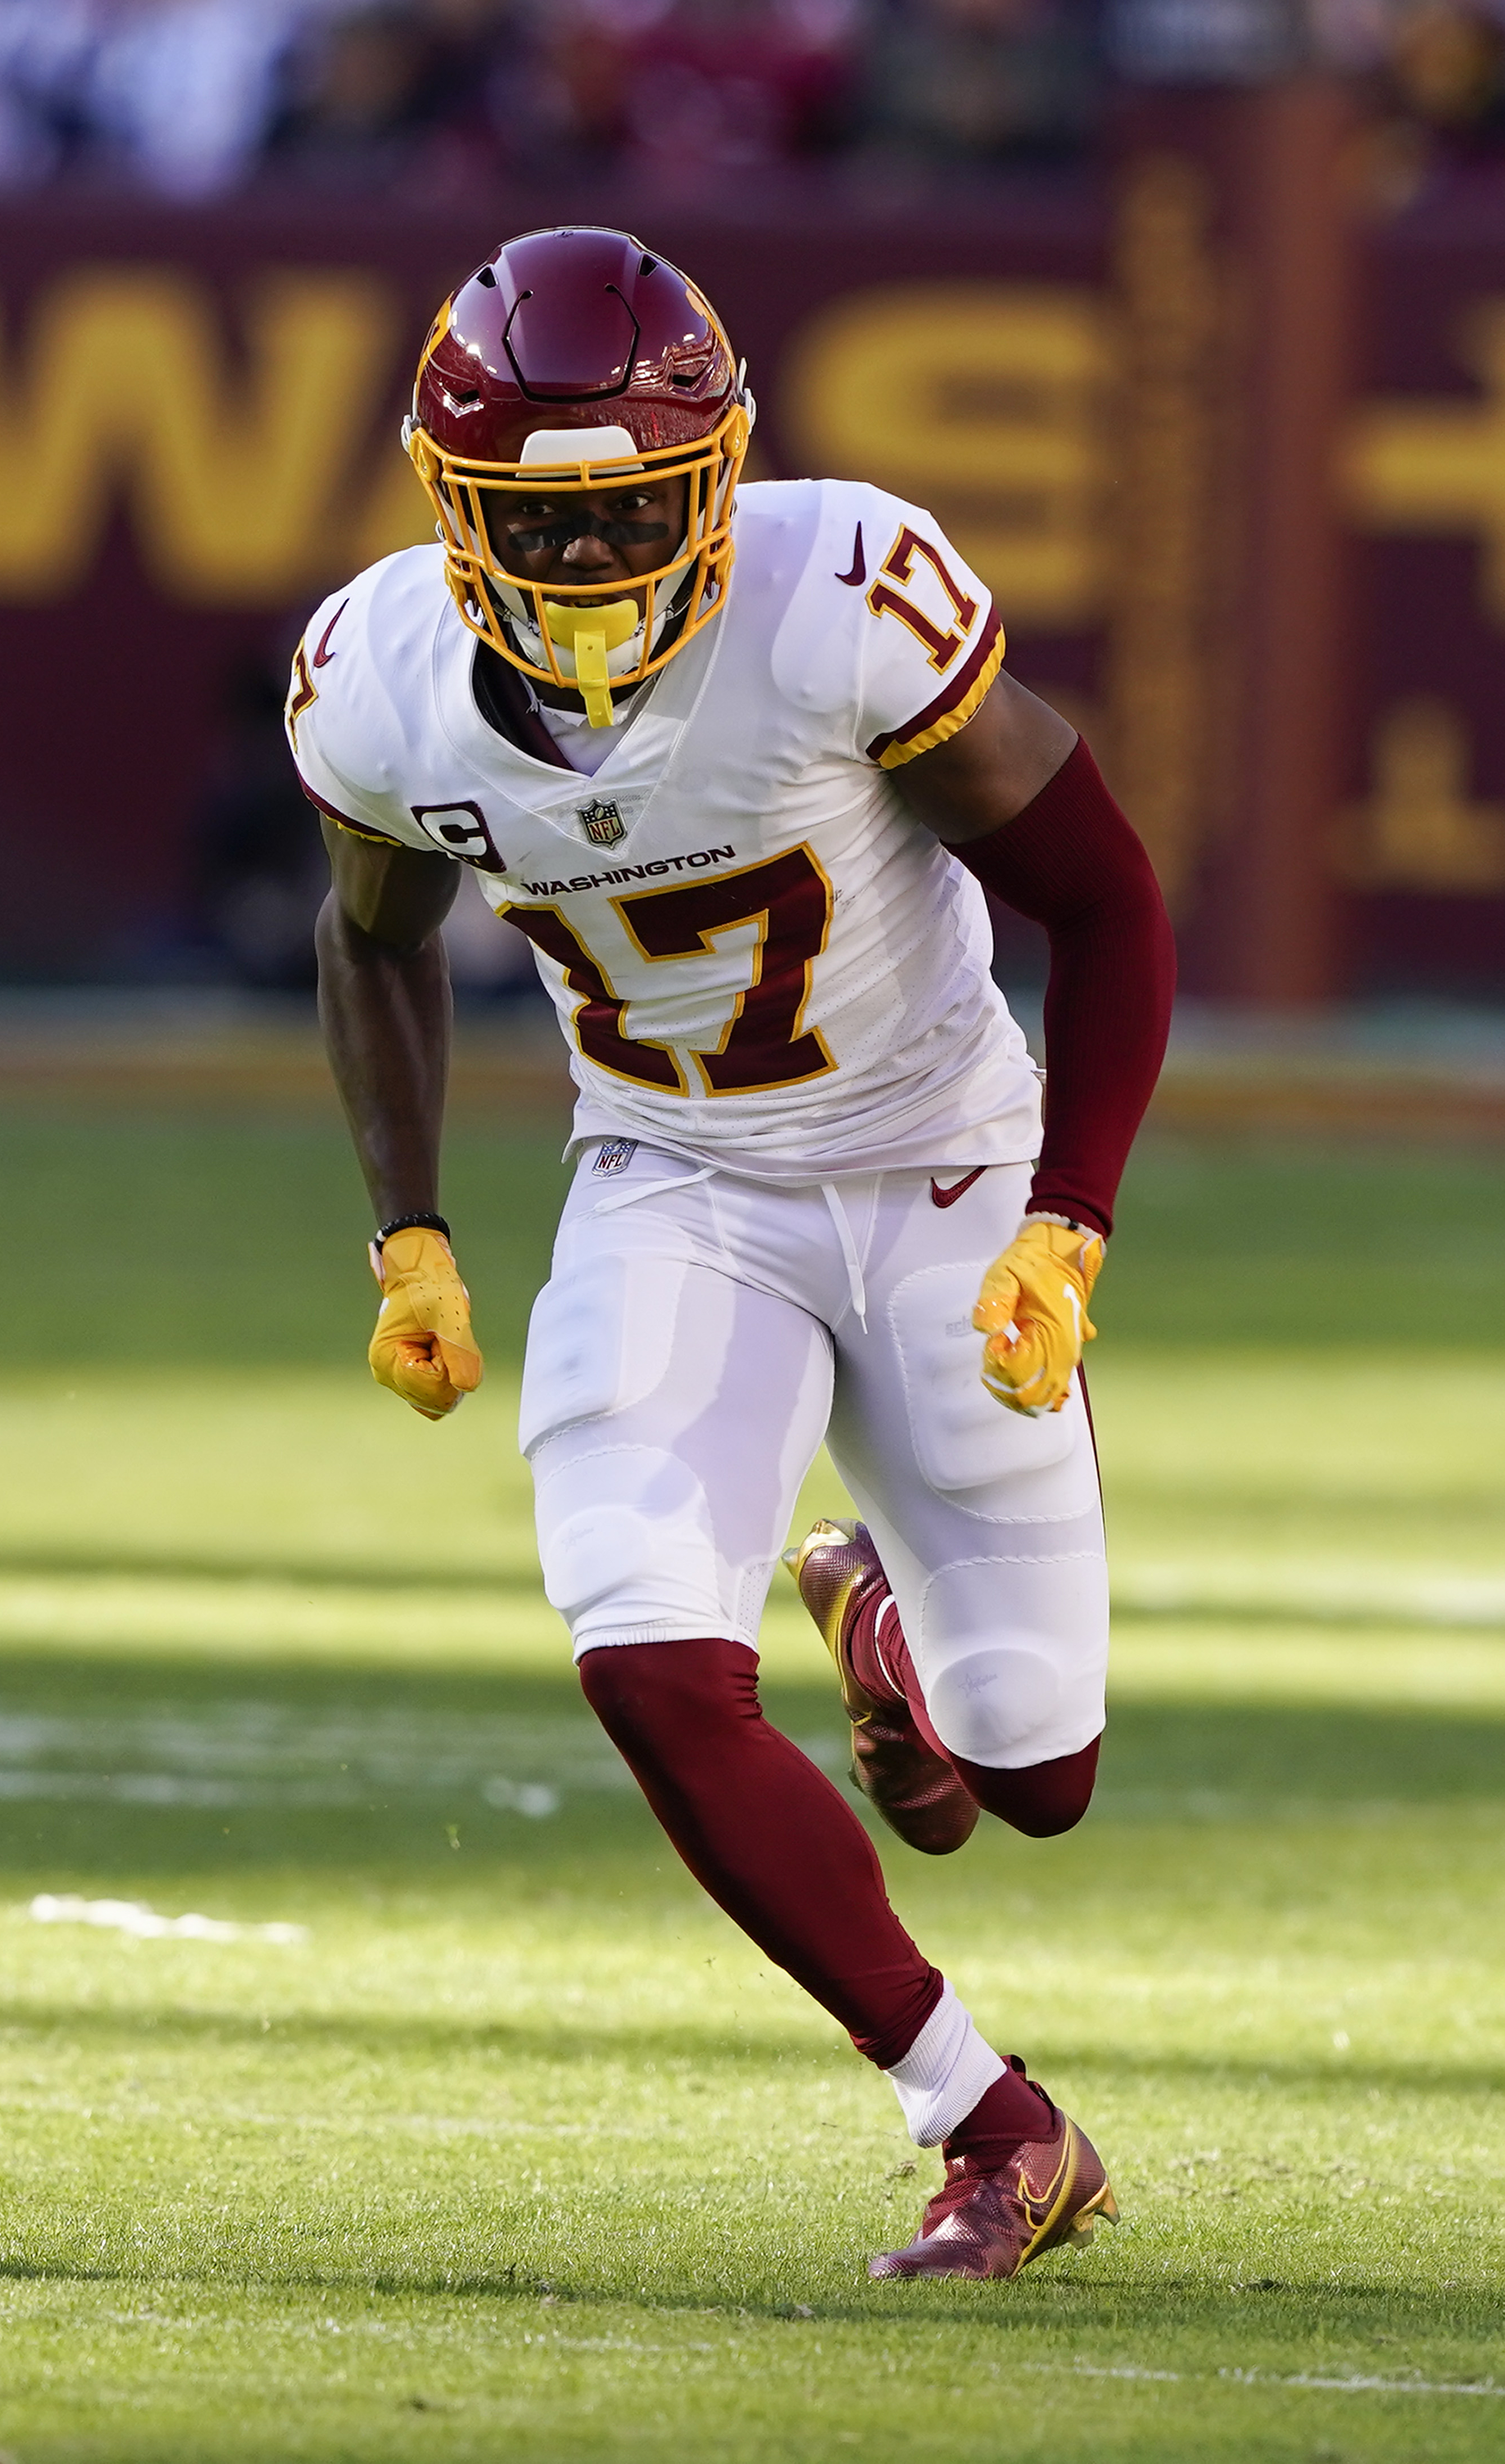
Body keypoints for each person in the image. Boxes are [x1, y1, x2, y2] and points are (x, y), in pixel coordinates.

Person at [287, 225, 1174, 2281]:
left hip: (947, 1163)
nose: (589, 571)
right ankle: (993, 2123)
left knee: (1036, 1777)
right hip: (677, 1180)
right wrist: (406, 1231)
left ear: (721, 477)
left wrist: (1073, 1213)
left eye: (630, 516)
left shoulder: (837, 597)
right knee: (642, 1655)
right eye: (538, 523)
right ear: (452, 509)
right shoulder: (385, 683)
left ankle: (887, 1625)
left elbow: (1109, 897)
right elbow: (371, 937)